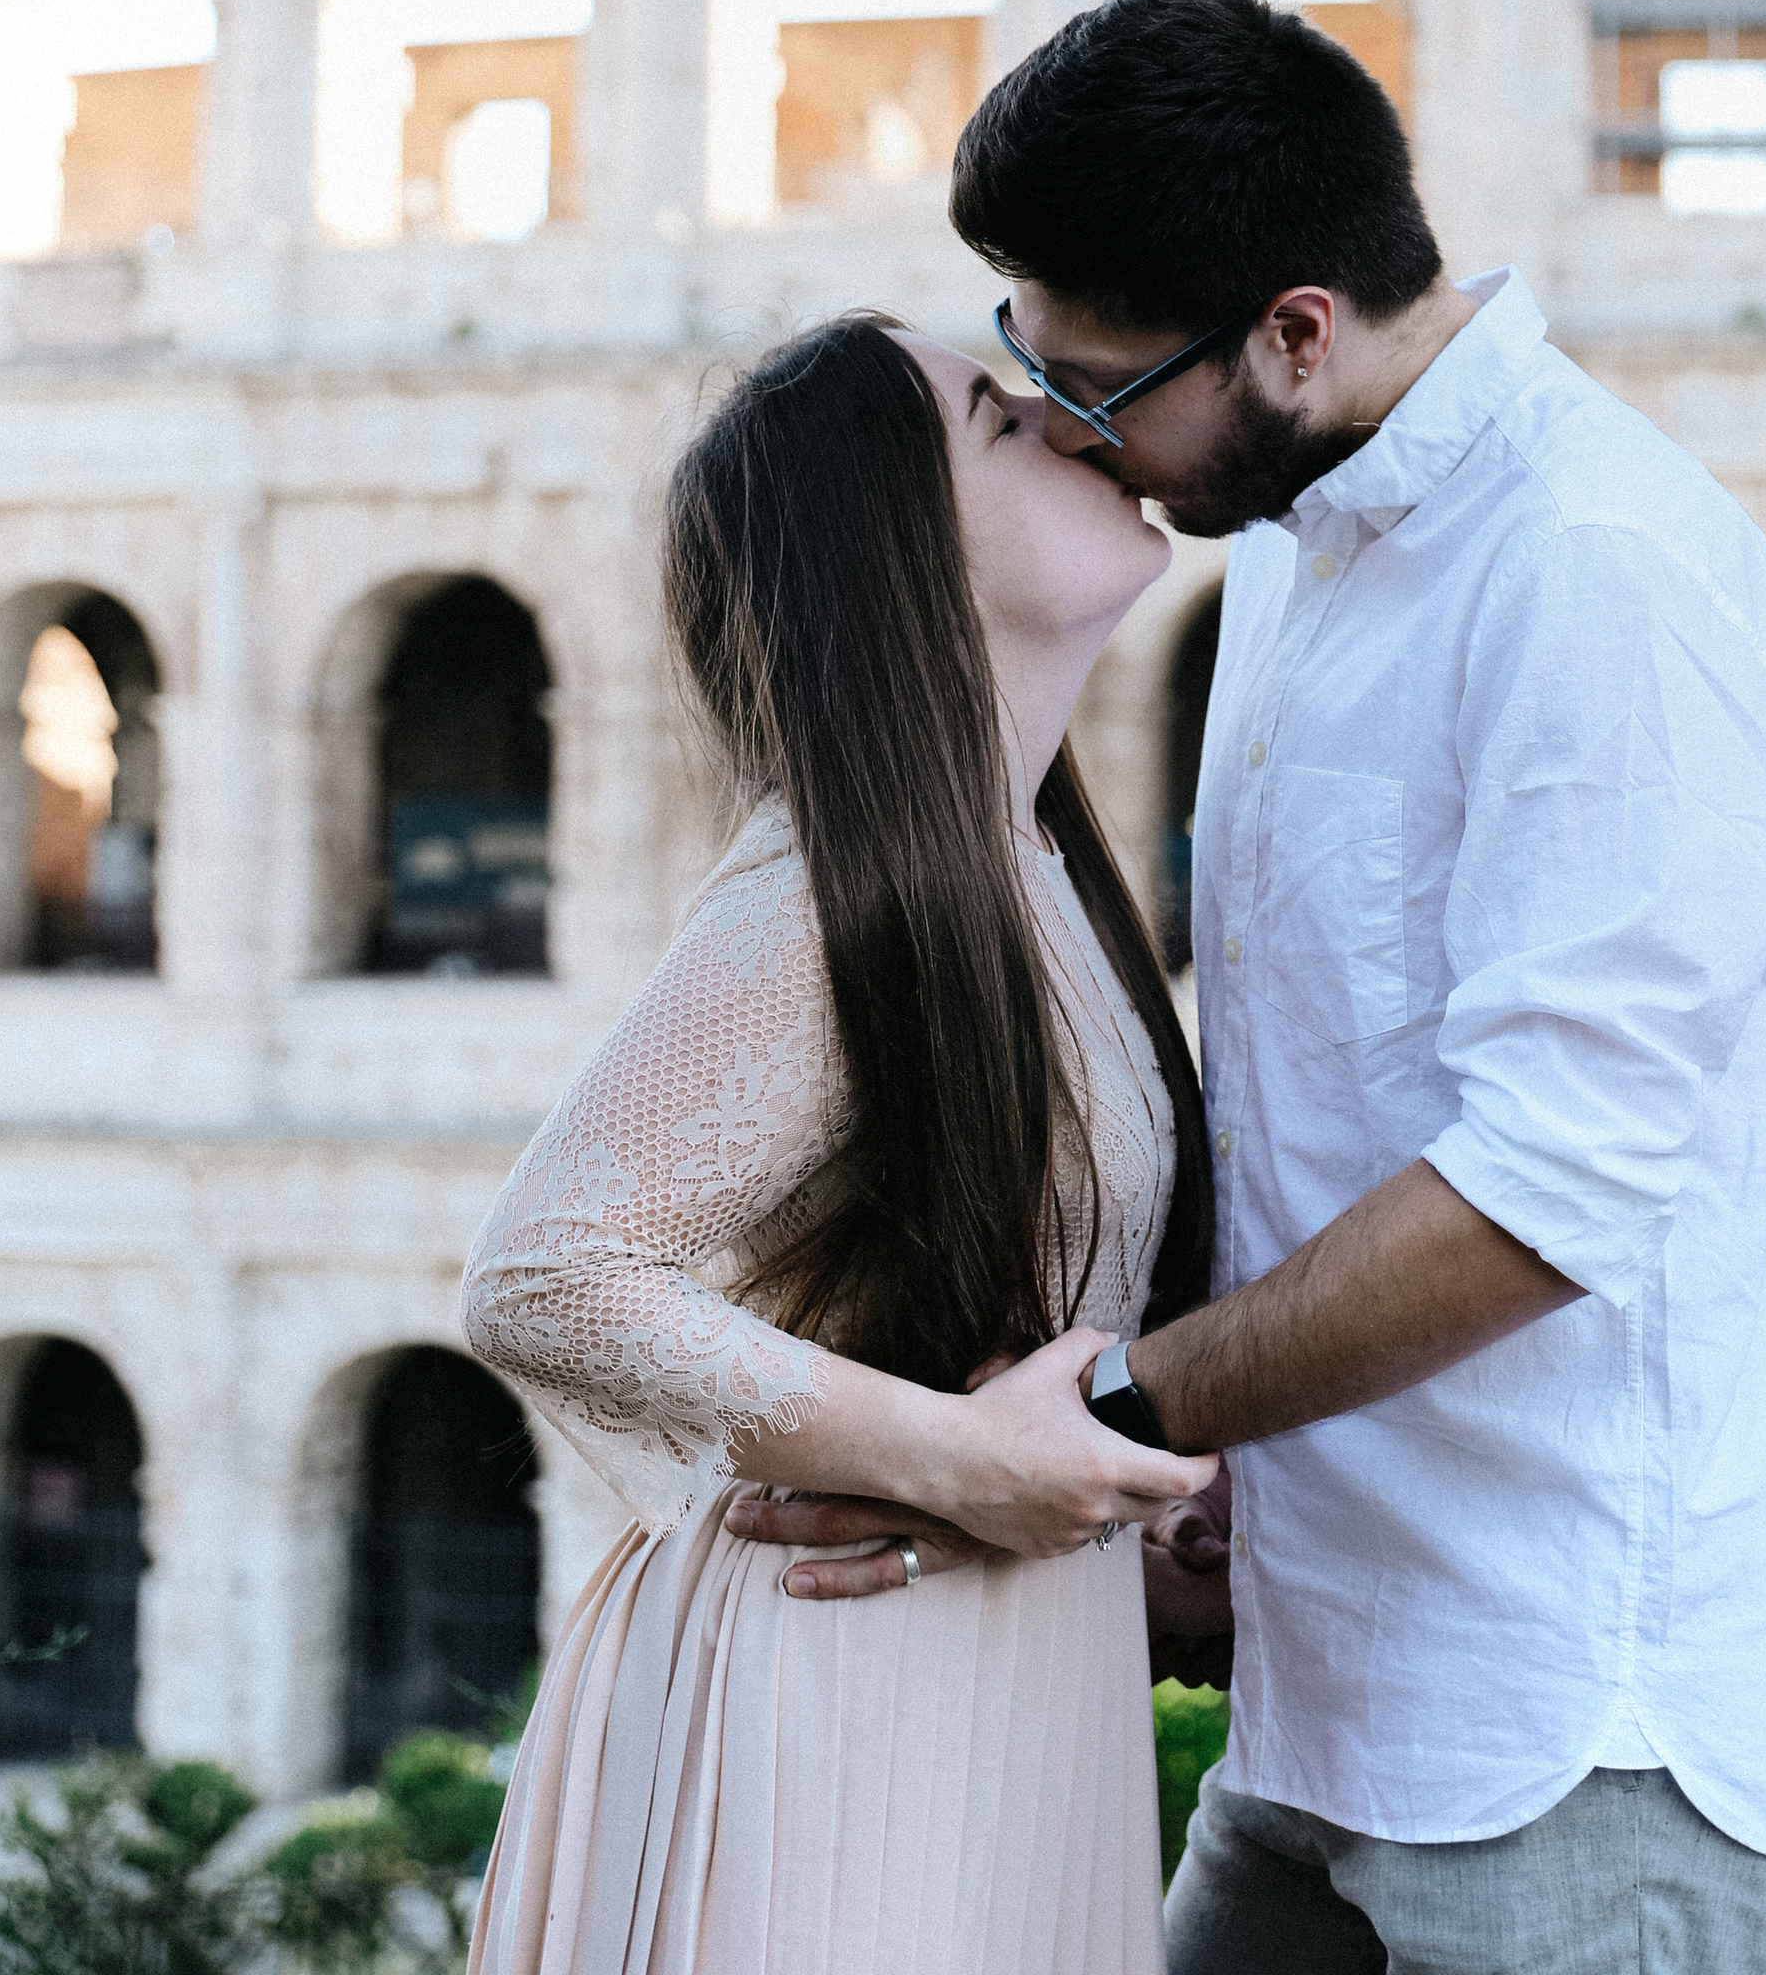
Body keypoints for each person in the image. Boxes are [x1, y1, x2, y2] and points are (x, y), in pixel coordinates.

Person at [733, 0, 1766, 1974]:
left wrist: (1079, 1427)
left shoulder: (1594, 567)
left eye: (1098, 381)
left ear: (1293, 333)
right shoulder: (1287, 542)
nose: (1069, 425)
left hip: (1564, 1721)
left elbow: (1544, 1196)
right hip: (1333, 1679)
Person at [458, 311, 1221, 1975]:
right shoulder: (829, 883)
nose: (1072, 420)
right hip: (849, 1699)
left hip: (990, 1686)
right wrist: (960, 1464)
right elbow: (545, 1272)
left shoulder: (1037, 873)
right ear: (900, 554)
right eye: (998, 418)